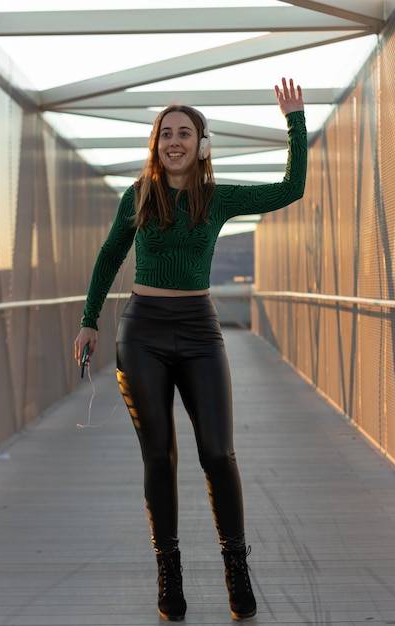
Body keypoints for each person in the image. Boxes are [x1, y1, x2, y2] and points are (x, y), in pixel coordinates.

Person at [74, 77, 307, 622]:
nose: (174, 141)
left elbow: (290, 189)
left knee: (217, 453)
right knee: (159, 456)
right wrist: (88, 322)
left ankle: (235, 566)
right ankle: (168, 569)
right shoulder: (137, 196)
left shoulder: (218, 197)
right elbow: (109, 258)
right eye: (165, 134)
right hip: (143, 333)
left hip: (200, 331)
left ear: (201, 144)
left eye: (185, 133)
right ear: (156, 145)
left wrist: (294, 121)